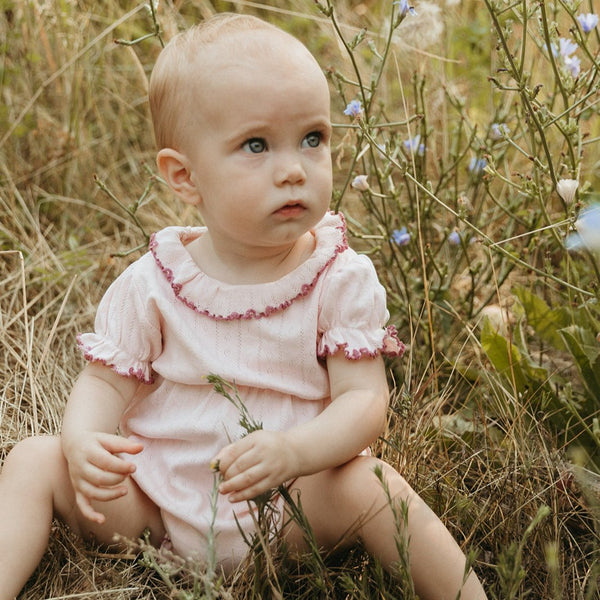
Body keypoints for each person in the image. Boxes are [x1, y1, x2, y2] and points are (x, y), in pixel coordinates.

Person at [0, 13, 487, 600]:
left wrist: (294, 452)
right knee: (34, 460)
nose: (293, 169)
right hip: (153, 514)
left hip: (290, 511)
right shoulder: (153, 283)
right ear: (185, 176)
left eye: (314, 138)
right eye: (256, 145)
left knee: (376, 486)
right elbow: (103, 385)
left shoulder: (338, 277)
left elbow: (364, 402)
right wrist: (82, 443)